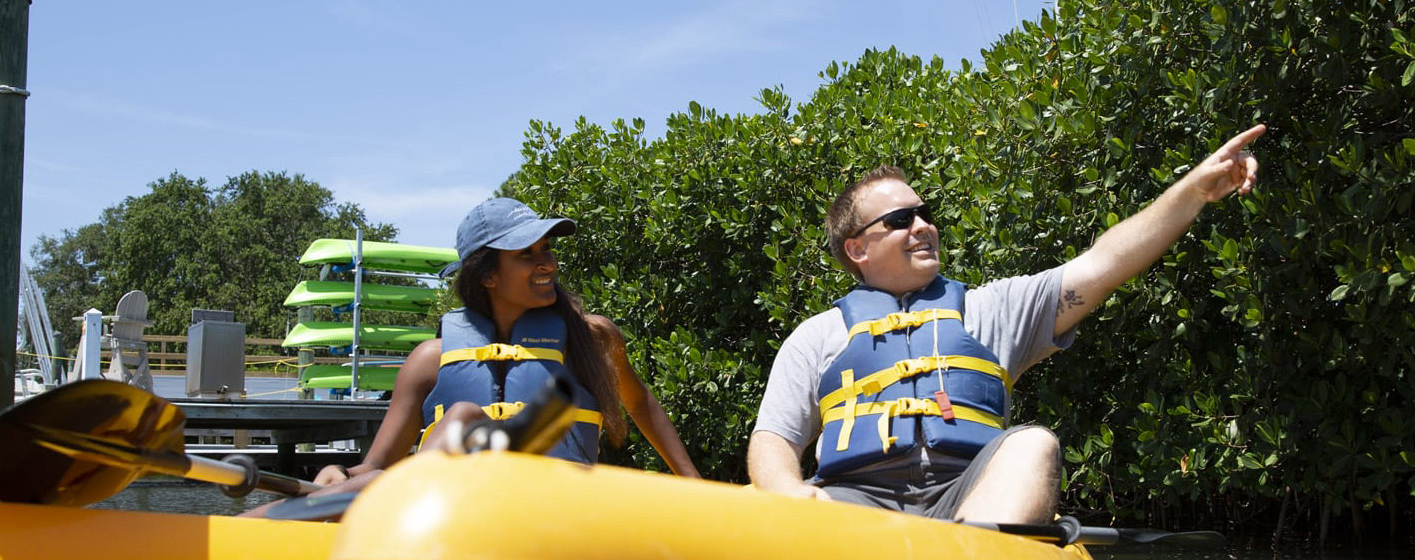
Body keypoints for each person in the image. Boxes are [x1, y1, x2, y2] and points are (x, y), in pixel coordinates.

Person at [746, 125, 1267, 525]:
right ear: (856, 248)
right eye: (901, 219)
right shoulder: (817, 336)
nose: (924, 225)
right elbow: (773, 442)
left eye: (925, 213)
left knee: (1033, 443)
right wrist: (790, 495)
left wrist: (1194, 191)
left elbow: (1104, 264)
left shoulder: (991, 309)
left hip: (969, 498)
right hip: (853, 504)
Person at [315, 197, 698, 487]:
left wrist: (695, 485)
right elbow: (376, 464)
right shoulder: (429, 361)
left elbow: (641, 403)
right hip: (465, 514)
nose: (546, 262)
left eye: (546, 248)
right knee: (462, 415)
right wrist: (338, 470)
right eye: (526, 254)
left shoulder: (592, 338)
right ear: (487, 276)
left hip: (559, 512)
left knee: (463, 416)